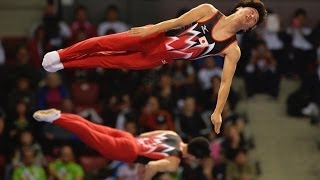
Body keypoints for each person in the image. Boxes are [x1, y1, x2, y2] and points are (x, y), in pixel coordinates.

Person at [42, 0, 267, 133]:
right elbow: (174, 23)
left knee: (107, 59)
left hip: (157, 59)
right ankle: (61, 54)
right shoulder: (209, 11)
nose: (251, 16)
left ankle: (63, 64)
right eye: (251, 11)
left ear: (249, 29)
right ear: (239, 7)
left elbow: (226, 82)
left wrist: (218, 112)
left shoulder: (232, 49)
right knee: (105, 42)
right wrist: (150, 30)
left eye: (254, 19)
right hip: (153, 37)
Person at [33, 109, 211, 180]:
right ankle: (56, 118)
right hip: (127, 151)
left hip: (129, 138)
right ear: (195, 156)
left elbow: (146, 135)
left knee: (91, 126)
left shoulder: (173, 135)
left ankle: (59, 114)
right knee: (87, 134)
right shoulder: (174, 162)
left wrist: (143, 161)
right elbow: (153, 167)